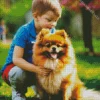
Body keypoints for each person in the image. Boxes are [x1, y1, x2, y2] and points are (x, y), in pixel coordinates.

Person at [1, 0, 62, 100]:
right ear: (36, 16)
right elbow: (17, 59)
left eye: (56, 20)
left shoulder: (51, 31)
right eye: (49, 19)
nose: (53, 24)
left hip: (36, 69)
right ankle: (18, 92)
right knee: (18, 73)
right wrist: (37, 70)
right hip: (15, 68)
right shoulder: (24, 31)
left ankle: (40, 91)